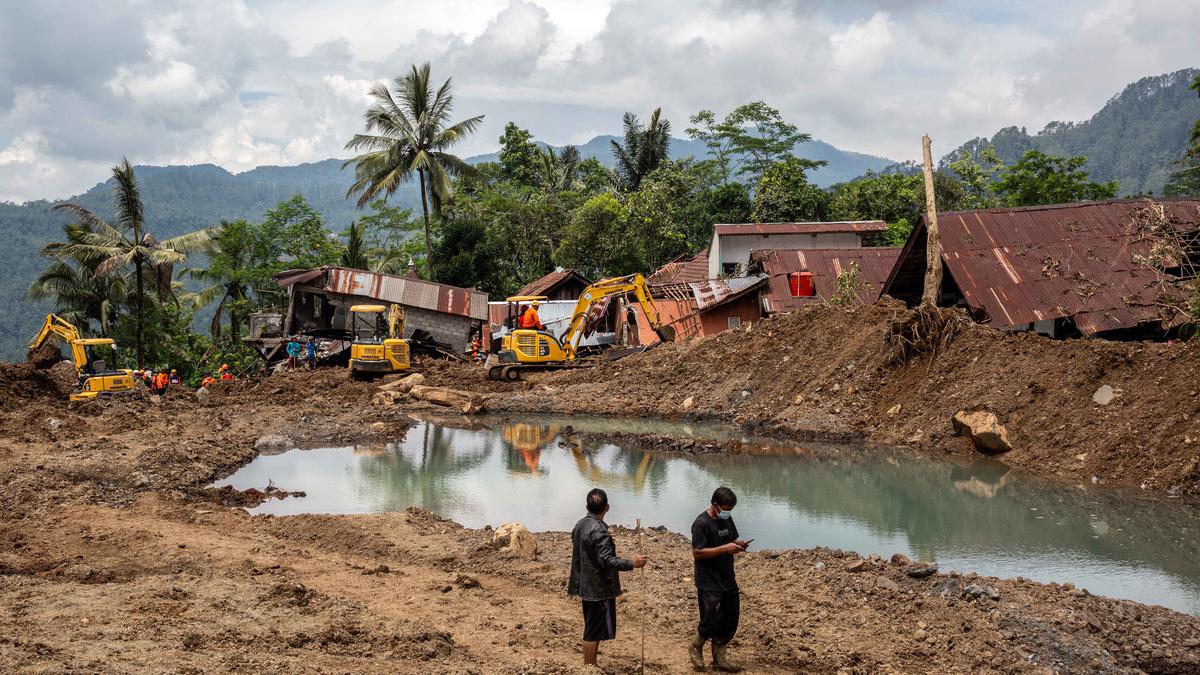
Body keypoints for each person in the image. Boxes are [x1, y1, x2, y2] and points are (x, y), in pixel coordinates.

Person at [568, 488, 648, 668]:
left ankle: (591, 665)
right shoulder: (600, 531)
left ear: (586, 507)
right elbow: (607, 560)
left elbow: (581, 547)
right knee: (592, 631)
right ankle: (590, 668)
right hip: (597, 588)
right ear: (607, 508)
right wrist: (632, 563)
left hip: (585, 585)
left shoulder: (580, 525)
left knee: (592, 626)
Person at [689, 486, 748, 672]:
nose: (728, 512)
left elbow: (732, 539)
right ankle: (696, 645)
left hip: (727, 577)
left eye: (731, 509)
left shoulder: (727, 518)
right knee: (711, 617)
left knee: (731, 617)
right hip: (708, 580)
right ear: (715, 505)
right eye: (725, 508)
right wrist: (724, 549)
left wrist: (738, 545)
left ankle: (719, 659)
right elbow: (698, 552)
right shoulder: (701, 523)